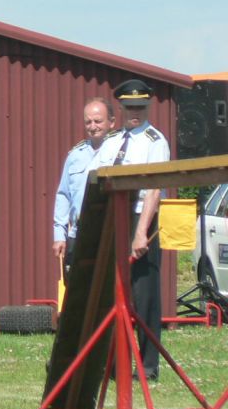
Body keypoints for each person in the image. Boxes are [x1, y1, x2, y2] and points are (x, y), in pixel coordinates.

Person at [92, 78, 170, 382]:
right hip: (113, 219)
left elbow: (153, 188)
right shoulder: (112, 142)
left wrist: (141, 232)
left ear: (148, 106)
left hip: (140, 219)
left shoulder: (155, 141)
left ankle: (148, 366)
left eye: (140, 107)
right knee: (112, 294)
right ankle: (114, 362)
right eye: (129, 107)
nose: (134, 112)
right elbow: (97, 179)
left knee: (145, 296)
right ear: (121, 108)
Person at [52, 98, 117, 275]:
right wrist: (59, 235)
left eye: (98, 121)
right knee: (76, 291)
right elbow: (64, 195)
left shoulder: (120, 153)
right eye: (88, 122)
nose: (93, 126)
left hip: (109, 234)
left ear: (112, 122)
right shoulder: (75, 155)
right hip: (79, 235)